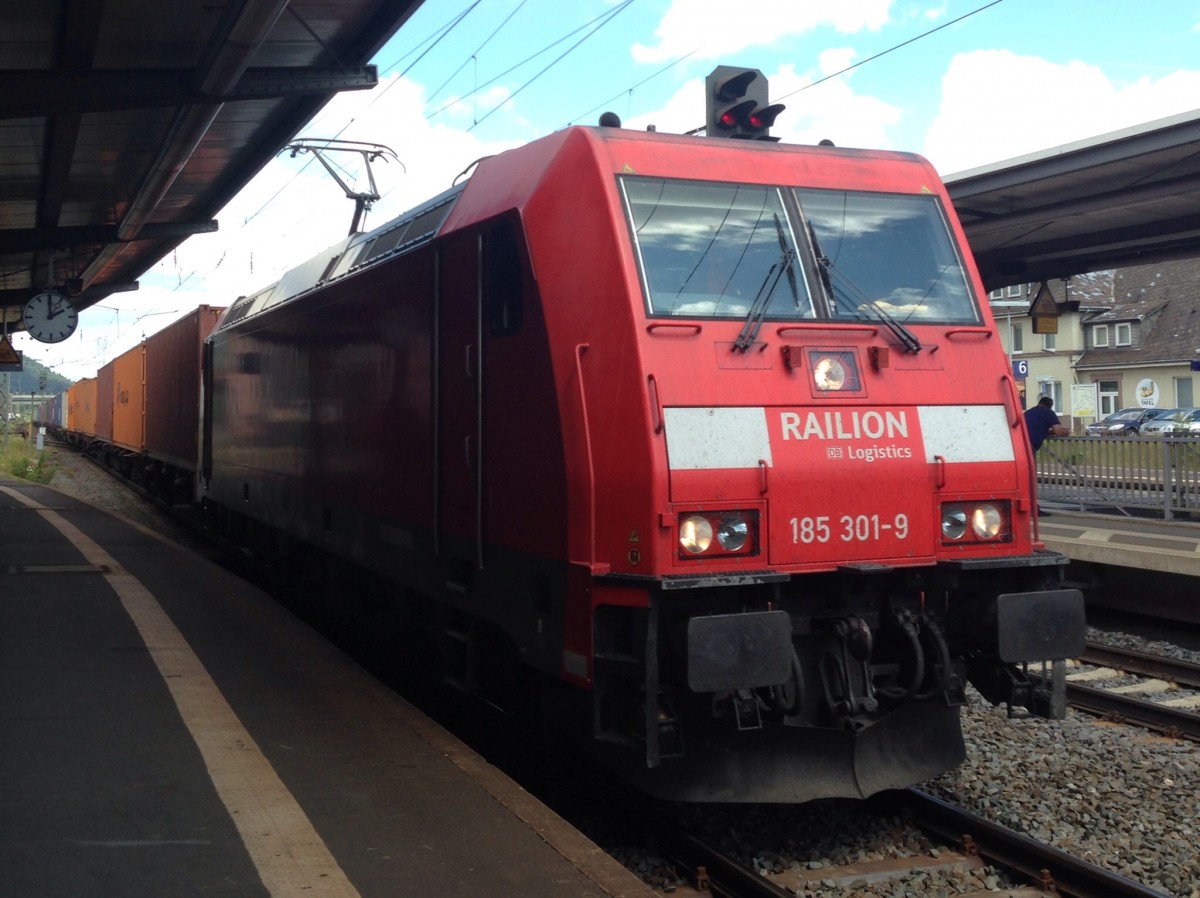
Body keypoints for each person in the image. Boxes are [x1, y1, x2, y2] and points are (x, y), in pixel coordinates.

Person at [1024, 396, 1068, 517]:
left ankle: (1026, 506)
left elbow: (1037, 428)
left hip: (1019, 445)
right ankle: (1033, 509)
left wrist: (1048, 431)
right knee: (1030, 480)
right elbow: (1058, 432)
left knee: (1023, 479)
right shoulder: (1049, 413)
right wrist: (1065, 432)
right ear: (1050, 405)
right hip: (1029, 447)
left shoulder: (1029, 412)